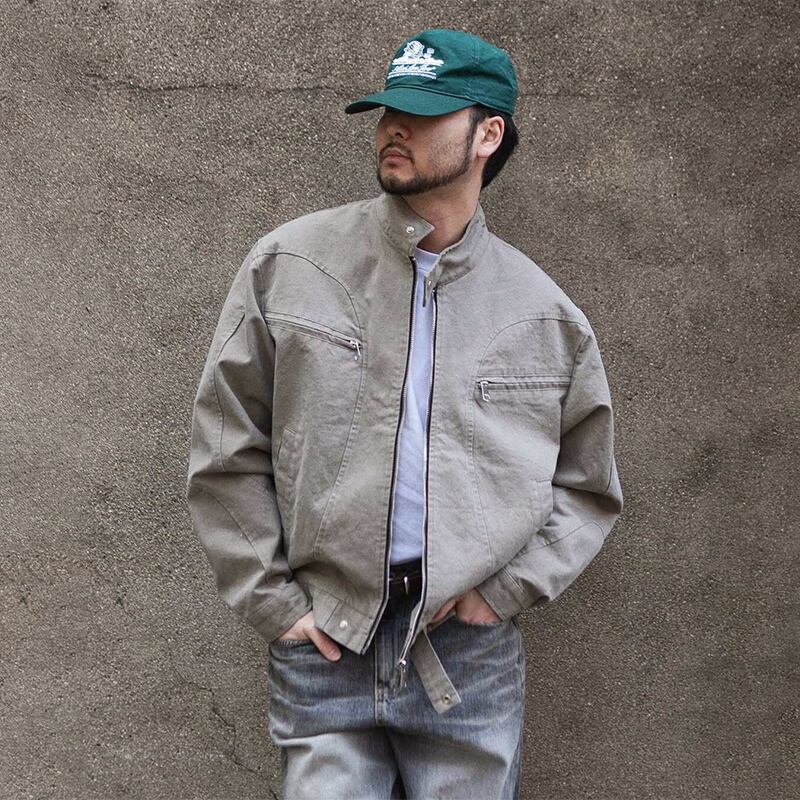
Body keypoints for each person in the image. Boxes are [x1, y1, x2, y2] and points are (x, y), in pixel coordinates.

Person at [187, 28, 624, 800]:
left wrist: (501, 596)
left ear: (487, 134)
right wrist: (276, 604)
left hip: (466, 659)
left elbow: (587, 488)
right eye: (390, 110)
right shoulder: (290, 266)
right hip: (326, 642)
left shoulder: (544, 316)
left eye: (422, 114)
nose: (394, 127)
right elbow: (227, 444)